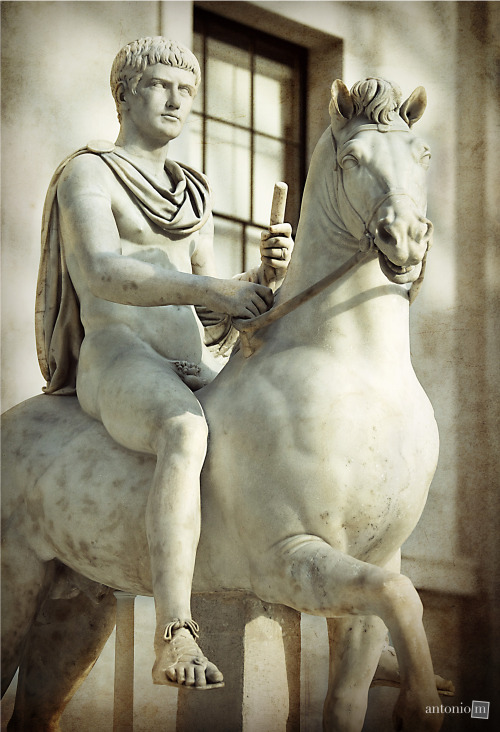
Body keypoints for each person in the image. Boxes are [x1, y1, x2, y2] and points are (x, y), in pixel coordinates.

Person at [35, 36, 293, 689]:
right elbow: (101, 269)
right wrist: (213, 290)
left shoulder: (190, 194)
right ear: (125, 92)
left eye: (188, 90)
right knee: (186, 428)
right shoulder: (89, 173)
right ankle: (175, 631)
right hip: (118, 354)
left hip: (187, 355)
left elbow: (209, 304)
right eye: (162, 86)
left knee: (275, 423)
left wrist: (260, 276)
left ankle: (340, 602)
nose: (179, 101)